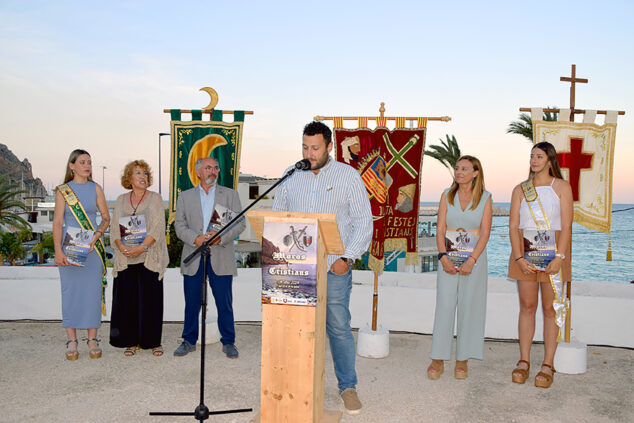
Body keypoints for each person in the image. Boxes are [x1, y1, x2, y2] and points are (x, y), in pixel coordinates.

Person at [272, 121, 372, 416]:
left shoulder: (348, 176)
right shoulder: (292, 175)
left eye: (315, 148)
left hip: (333, 267)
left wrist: (348, 259)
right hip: (297, 269)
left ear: (330, 146)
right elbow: (278, 216)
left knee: (338, 327)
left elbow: (363, 222)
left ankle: (348, 387)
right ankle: (297, 384)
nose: (309, 153)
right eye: (305, 147)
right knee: (297, 329)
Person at [508, 142, 573, 389]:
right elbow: (514, 226)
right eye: (532, 156)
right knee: (527, 306)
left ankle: (547, 363)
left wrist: (560, 258)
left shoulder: (562, 187)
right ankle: (524, 361)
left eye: (539, 156)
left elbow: (566, 226)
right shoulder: (520, 190)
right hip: (524, 253)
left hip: (554, 254)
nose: (534, 160)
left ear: (549, 160)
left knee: (549, 309)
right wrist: (518, 257)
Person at [427, 156, 492, 380]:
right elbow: (440, 229)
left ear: (476, 173)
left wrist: (472, 260)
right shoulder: (447, 195)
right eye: (457, 168)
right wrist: (442, 256)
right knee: (444, 306)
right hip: (448, 258)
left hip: (474, 260)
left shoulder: (485, 198)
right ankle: (438, 357)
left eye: (464, 169)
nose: (459, 172)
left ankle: (463, 359)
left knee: (469, 307)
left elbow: (485, 232)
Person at [173, 157, 245, 358]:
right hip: (194, 255)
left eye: (216, 168)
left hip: (220, 255)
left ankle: (229, 341)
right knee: (192, 302)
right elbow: (179, 225)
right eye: (208, 168)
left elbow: (240, 224)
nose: (213, 171)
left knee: (224, 302)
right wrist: (195, 238)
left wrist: (220, 238)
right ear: (198, 172)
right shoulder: (185, 197)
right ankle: (188, 340)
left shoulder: (230, 195)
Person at [53, 149, 110, 360]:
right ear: (72, 165)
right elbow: (58, 222)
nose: (87, 166)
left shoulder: (96, 188)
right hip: (69, 249)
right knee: (71, 293)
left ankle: (92, 339)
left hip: (91, 248)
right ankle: (72, 340)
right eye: (82, 162)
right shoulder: (63, 191)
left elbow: (106, 218)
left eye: (90, 162)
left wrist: (97, 235)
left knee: (92, 294)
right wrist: (58, 250)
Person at [109, 160, 169, 357]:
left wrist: (142, 247)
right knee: (128, 301)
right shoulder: (120, 200)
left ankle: (153, 342)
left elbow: (158, 228)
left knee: (150, 301)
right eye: (138, 173)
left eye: (145, 173)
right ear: (129, 178)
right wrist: (122, 247)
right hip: (126, 258)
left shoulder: (155, 199)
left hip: (149, 257)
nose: (142, 177)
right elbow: (114, 230)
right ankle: (130, 341)